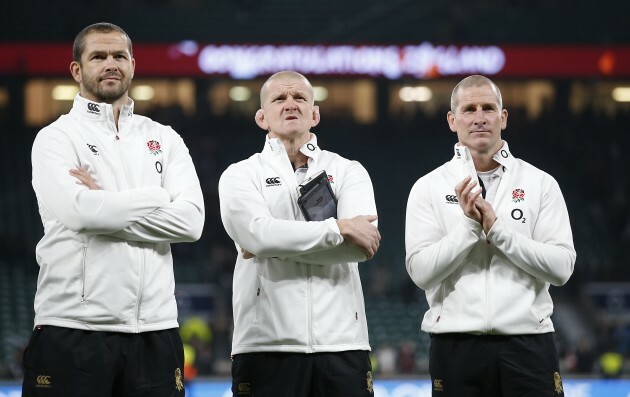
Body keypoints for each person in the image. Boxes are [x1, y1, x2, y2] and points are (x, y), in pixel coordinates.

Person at [24, 22, 205, 397]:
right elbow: (81, 214)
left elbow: (191, 223)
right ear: (77, 70)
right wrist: (157, 197)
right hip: (73, 327)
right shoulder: (56, 138)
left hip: (156, 330)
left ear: (133, 65)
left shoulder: (165, 138)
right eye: (98, 56)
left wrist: (105, 202)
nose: (111, 64)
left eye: (119, 56)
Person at [405, 75, 576, 396]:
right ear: (452, 120)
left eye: (488, 108)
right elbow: (421, 273)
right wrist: (471, 228)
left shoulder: (541, 184)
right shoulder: (428, 187)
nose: (479, 117)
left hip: (529, 343)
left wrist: (498, 231)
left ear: (504, 117)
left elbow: (562, 268)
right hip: (456, 345)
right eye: (469, 109)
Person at [218, 71, 381, 397]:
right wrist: (338, 227)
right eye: (279, 98)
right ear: (261, 117)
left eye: (300, 98)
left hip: (343, 344)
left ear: (315, 113)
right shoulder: (240, 175)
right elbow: (257, 236)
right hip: (264, 345)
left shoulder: (349, 171)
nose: (290, 104)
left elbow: (359, 248)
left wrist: (270, 241)